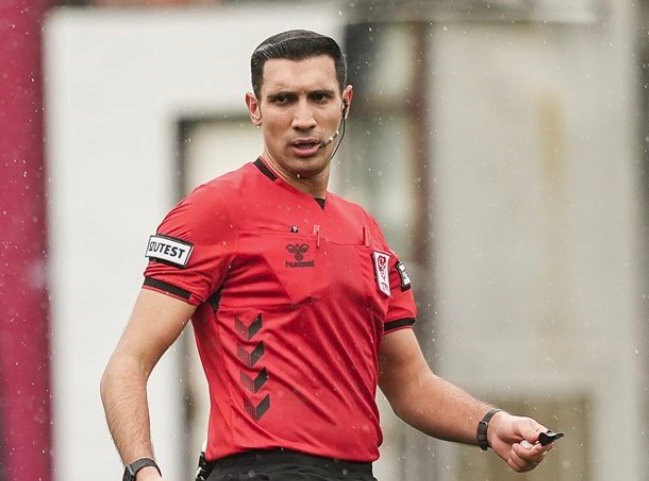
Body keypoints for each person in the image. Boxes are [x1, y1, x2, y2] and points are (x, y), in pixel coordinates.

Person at [100, 30, 556, 481]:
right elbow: (127, 364)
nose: (303, 119)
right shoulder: (215, 210)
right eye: (283, 100)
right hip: (260, 471)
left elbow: (411, 385)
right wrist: (143, 471)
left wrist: (491, 424)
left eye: (319, 97)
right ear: (255, 108)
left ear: (345, 103)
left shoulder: (366, 231)